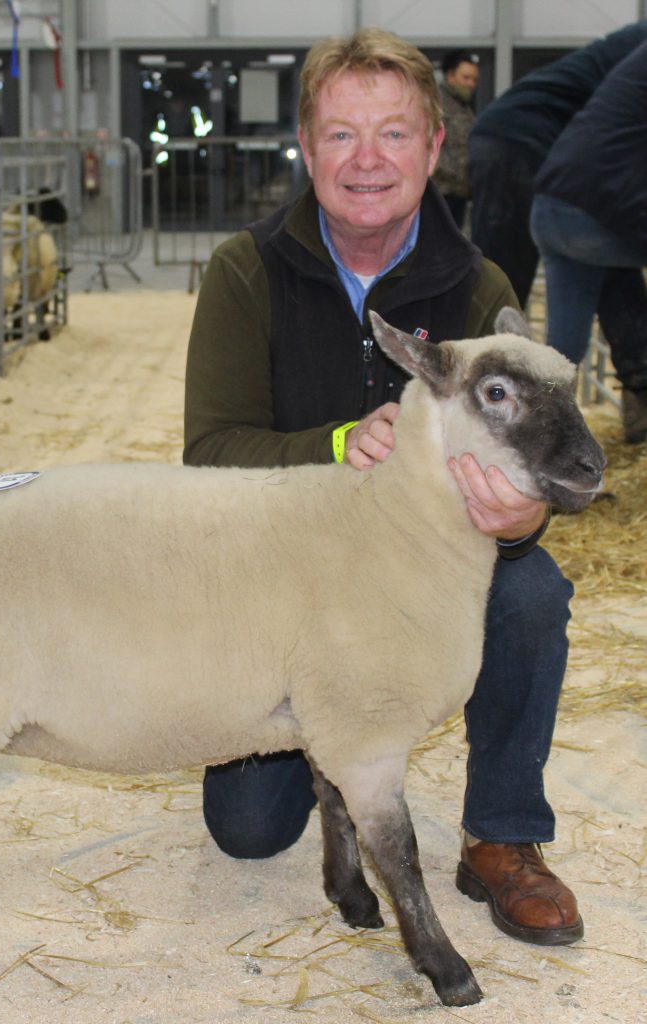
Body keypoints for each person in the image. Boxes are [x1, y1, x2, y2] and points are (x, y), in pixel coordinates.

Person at [185, 28, 583, 947]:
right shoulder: (245, 272)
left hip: (420, 575)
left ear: (435, 148)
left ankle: (503, 834)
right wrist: (335, 443)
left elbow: (531, 457)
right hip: (286, 588)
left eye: (395, 134)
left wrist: (521, 514)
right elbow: (209, 451)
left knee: (529, 587)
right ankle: (331, 763)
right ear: (305, 145)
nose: (367, 160)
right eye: (340, 135)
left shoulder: (478, 287)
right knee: (247, 833)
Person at [467, 19, 647, 308]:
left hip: (521, 139)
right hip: (521, 140)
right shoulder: (639, 46)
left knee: (603, 243)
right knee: (502, 291)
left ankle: (633, 350)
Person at [529, 41, 647, 444]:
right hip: (596, 211)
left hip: (551, 206)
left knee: (560, 357)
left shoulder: (628, 70)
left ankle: (539, 444)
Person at [431, 49, 478, 230]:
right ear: (450, 75)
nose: (471, 84)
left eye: (474, 79)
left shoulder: (463, 107)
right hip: (441, 193)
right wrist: (460, 177)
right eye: (466, 78)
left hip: (458, 193)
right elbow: (430, 147)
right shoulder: (437, 103)